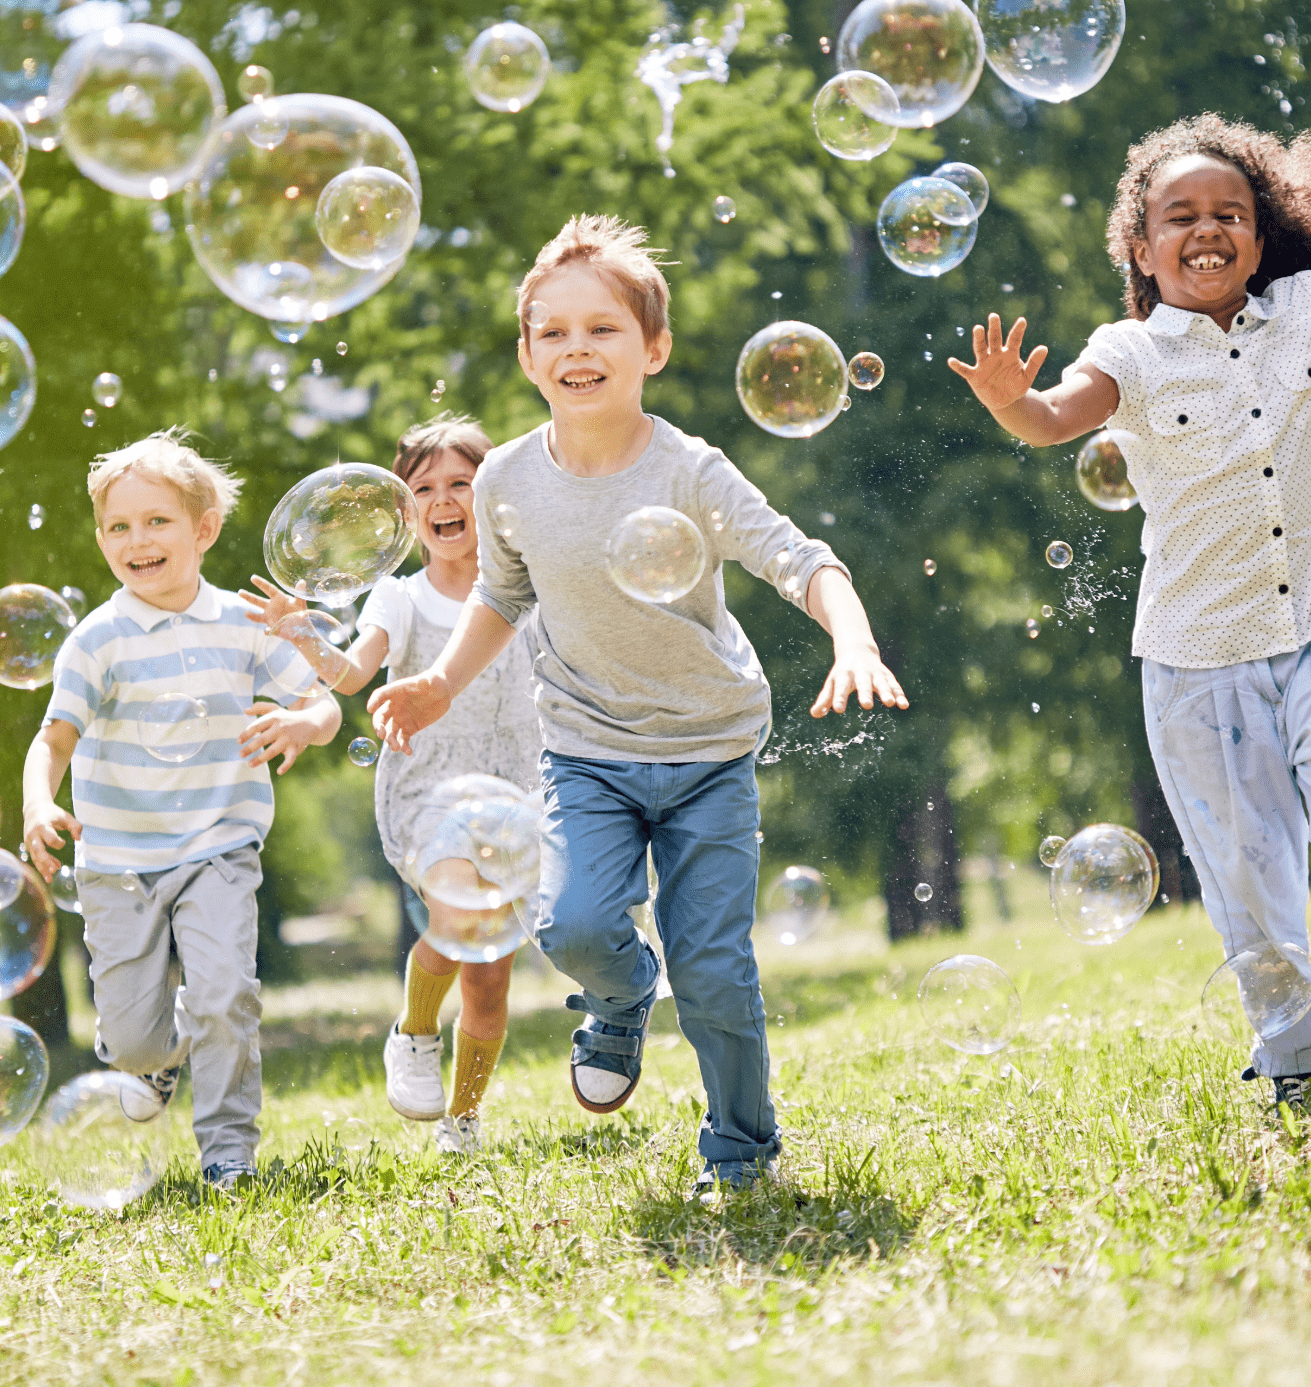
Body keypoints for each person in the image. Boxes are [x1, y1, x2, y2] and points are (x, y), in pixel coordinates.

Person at [948, 0, 1311, 1105]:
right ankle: (1291, 1058)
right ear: (1139, 246)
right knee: (1246, 886)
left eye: (1228, 211)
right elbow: (1054, 416)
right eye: (1177, 213)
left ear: (1258, 230)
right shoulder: (1129, 351)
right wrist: (1010, 400)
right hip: (1196, 659)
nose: (1204, 227)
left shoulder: (1302, 309)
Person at [367, 214, 909, 1193]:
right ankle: (616, 999)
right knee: (569, 925)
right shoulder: (505, 479)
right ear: (527, 354)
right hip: (583, 749)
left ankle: (741, 1153)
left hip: (706, 748)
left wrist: (854, 637)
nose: (577, 347)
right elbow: (500, 593)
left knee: (711, 970)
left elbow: (799, 558)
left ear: (651, 347)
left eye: (602, 327)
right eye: (553, 330)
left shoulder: (687, 469)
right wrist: (439, 681)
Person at [21, 429, 341, 1188]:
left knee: (226, 995)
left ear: (203, 530)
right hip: (118, 863)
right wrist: (39, 802)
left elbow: (321, 701)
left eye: (157, 521)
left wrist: (305, 722)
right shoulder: (96, 641)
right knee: (133, 1039)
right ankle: (155, 1065)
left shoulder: (243, 623)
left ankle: (228, 1154)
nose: (138, 540)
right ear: (101, 539)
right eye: (119, 527)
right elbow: (53, 737)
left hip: (218, 848)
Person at [245, 414, 540, 1156]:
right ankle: (413, 1032)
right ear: (407, 513)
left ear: (493, 495)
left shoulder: (532, 587)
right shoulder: (398, 600)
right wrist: (306, 636)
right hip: (429, 787)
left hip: (520, 790)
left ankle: (463, 1118)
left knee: (491, 979)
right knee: (456, 919)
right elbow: (351, 674)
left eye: (461, 484)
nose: (444, 500)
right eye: (425, 489)